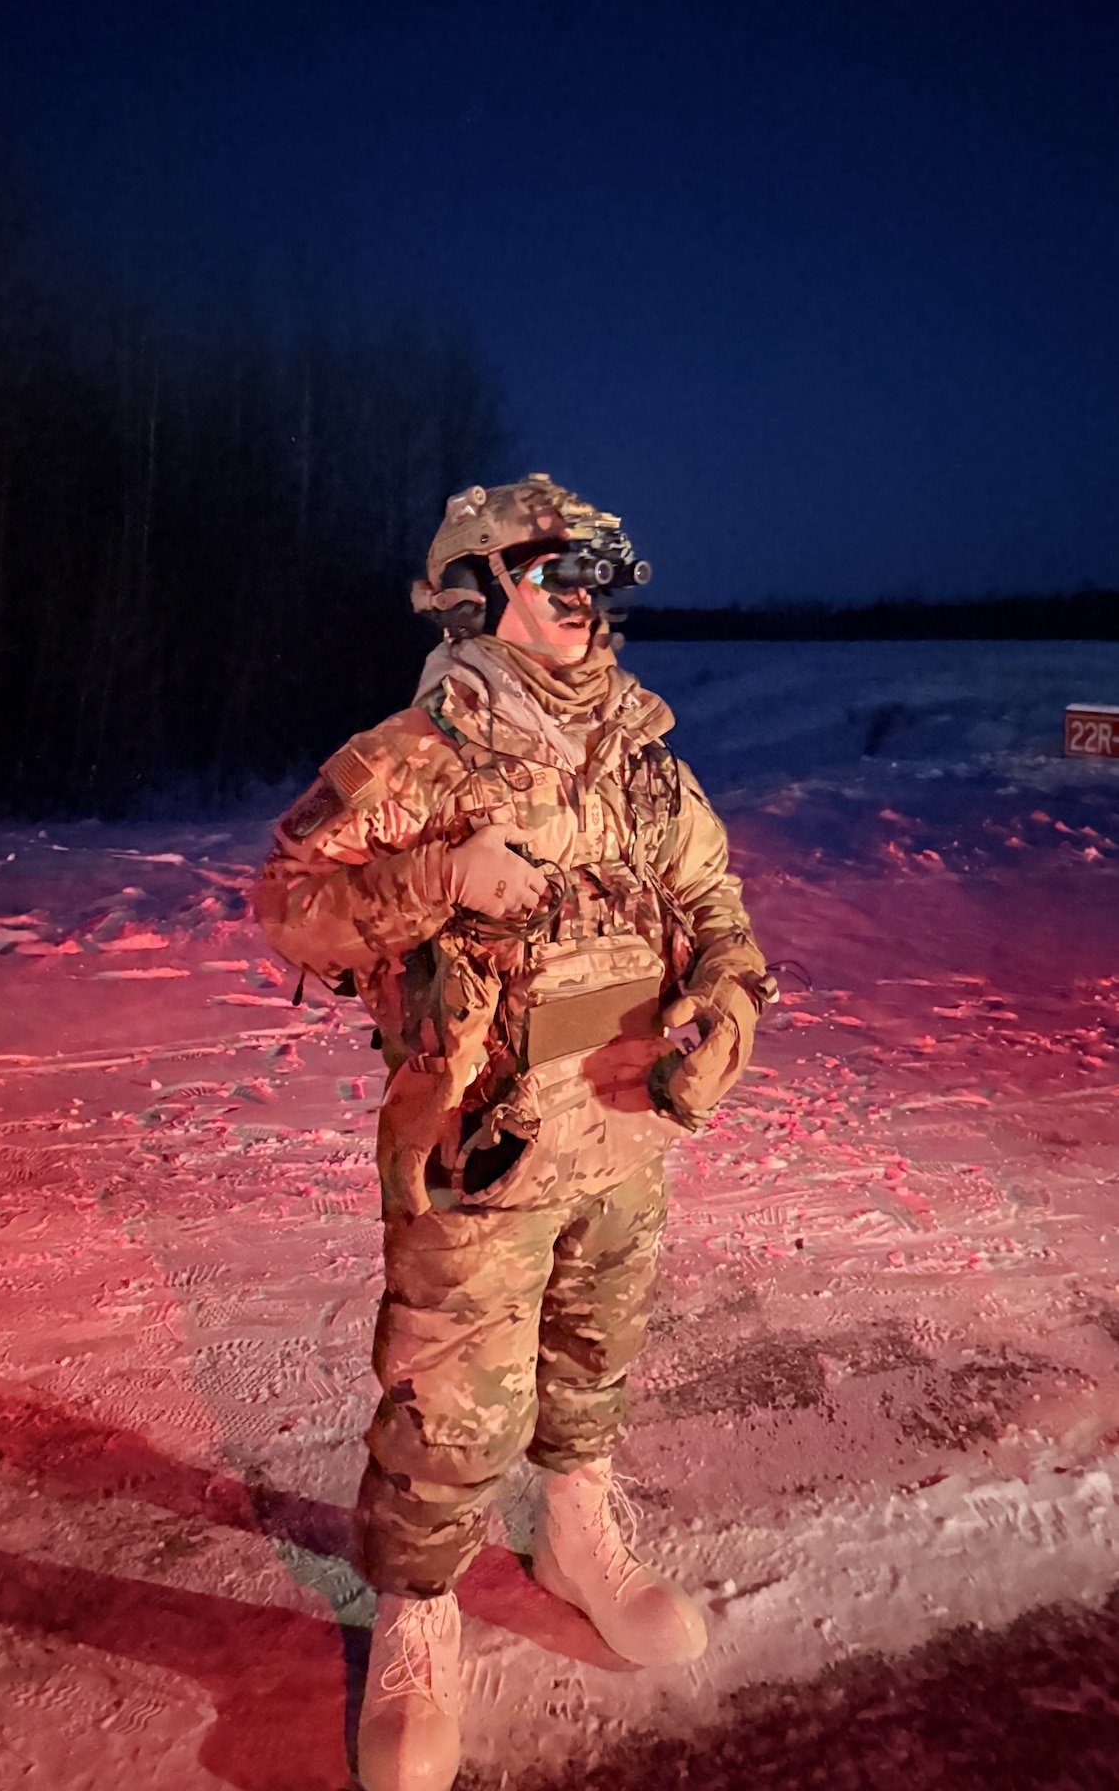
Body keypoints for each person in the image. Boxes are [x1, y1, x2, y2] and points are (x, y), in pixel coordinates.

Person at [254, 473, 772, 1791]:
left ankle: (576, 1535)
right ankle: (419, 1617)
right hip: (479, 1142)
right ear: (480, 589)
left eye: (592, 572)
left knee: (595, 1358)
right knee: (450, 1407)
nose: (583, 595)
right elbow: (287, 906)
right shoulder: (414, 758)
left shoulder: (644, 763)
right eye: (553, 571)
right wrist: (438, 878)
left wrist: (719, 1014)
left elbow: (717, 907)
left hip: (622, 1128)